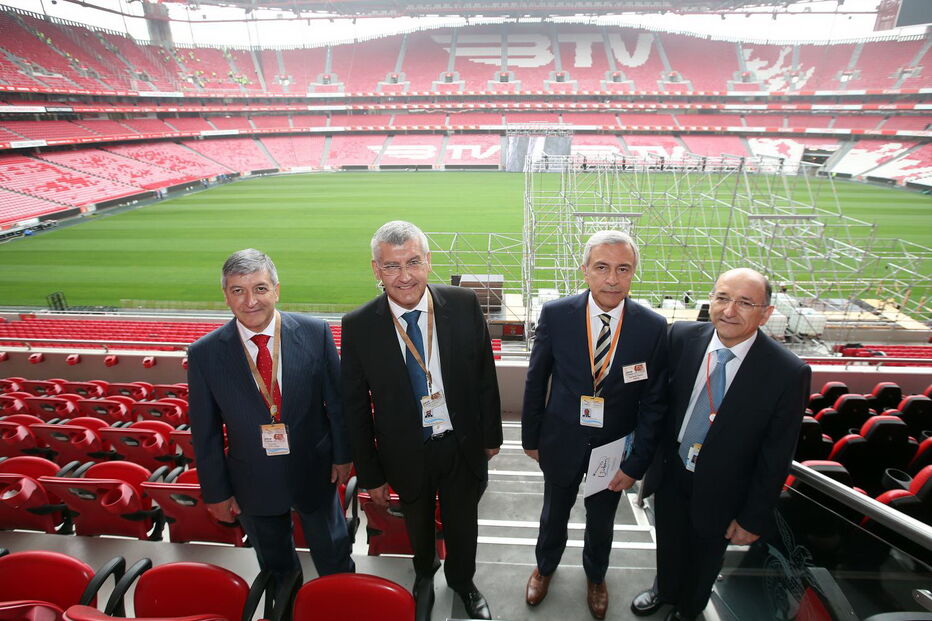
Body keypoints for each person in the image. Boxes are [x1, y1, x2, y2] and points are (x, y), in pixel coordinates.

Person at [341, 221, 503, 621]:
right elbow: (355, 408)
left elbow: (485, 375)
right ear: (376, 270)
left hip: (460, 444)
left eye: (413, 262)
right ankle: (424, 573)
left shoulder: (464, 304)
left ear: (428, 261)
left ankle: (463, 582)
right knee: (417, 524)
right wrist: (371, 473)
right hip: (404, 452)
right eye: (392, 266)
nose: (405, 276)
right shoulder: (358, 325)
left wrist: (491, 437)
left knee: (463, 524)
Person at [630, 268, 810, 621]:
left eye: (744, 303)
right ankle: (664, 590)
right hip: (672, 471)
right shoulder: (681, 337)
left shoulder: (788, 372)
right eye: (723, 298)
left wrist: (752, 517)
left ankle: (689, 610)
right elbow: (658, 402)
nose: (729, 310)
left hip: (726, 490)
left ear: (766, 313)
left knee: (706, 557)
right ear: (710, 300)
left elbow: (777, 454)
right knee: (668, 540)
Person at [187, 248, 354, 594]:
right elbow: (205, 432)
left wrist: (343, 455)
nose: (250, 301)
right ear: (226, 295)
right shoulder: (204, 353)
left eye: (260, 288)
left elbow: (337, 403)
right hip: (252, 480)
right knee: (277, 569)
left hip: (315, 470)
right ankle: (286, 607)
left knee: (334, 554)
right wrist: (216, 492)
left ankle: (342, 601)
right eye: (238, 290)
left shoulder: (316, 333)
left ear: (276, 290)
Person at [522, 230, 668, 620]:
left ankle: (596, 577)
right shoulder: (556, 314)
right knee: (553, 514)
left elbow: (654, 402)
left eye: (623, 269)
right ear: (584, 270)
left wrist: (636, 463)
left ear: (633, 273)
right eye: (602, 267)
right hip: (561, 439)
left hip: (614, 448)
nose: (612, 279)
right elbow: (537, 380)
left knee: (602, 521)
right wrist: (531, 438)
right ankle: (544, 567)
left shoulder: (653, 327)